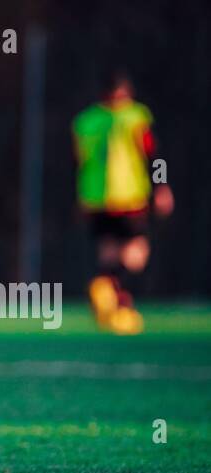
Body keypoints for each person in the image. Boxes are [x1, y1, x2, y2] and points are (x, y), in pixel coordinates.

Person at [72, 72, 173, 335]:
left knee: (108, 252)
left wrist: (80, 196)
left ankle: (107, 292)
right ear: (124, 93)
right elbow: (153, 155)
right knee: (136, 254)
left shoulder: (87, 121)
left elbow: (77, 162)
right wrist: (161, 186)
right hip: (128, 197)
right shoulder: (133, 117)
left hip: (95, 199)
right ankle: (119, 303)